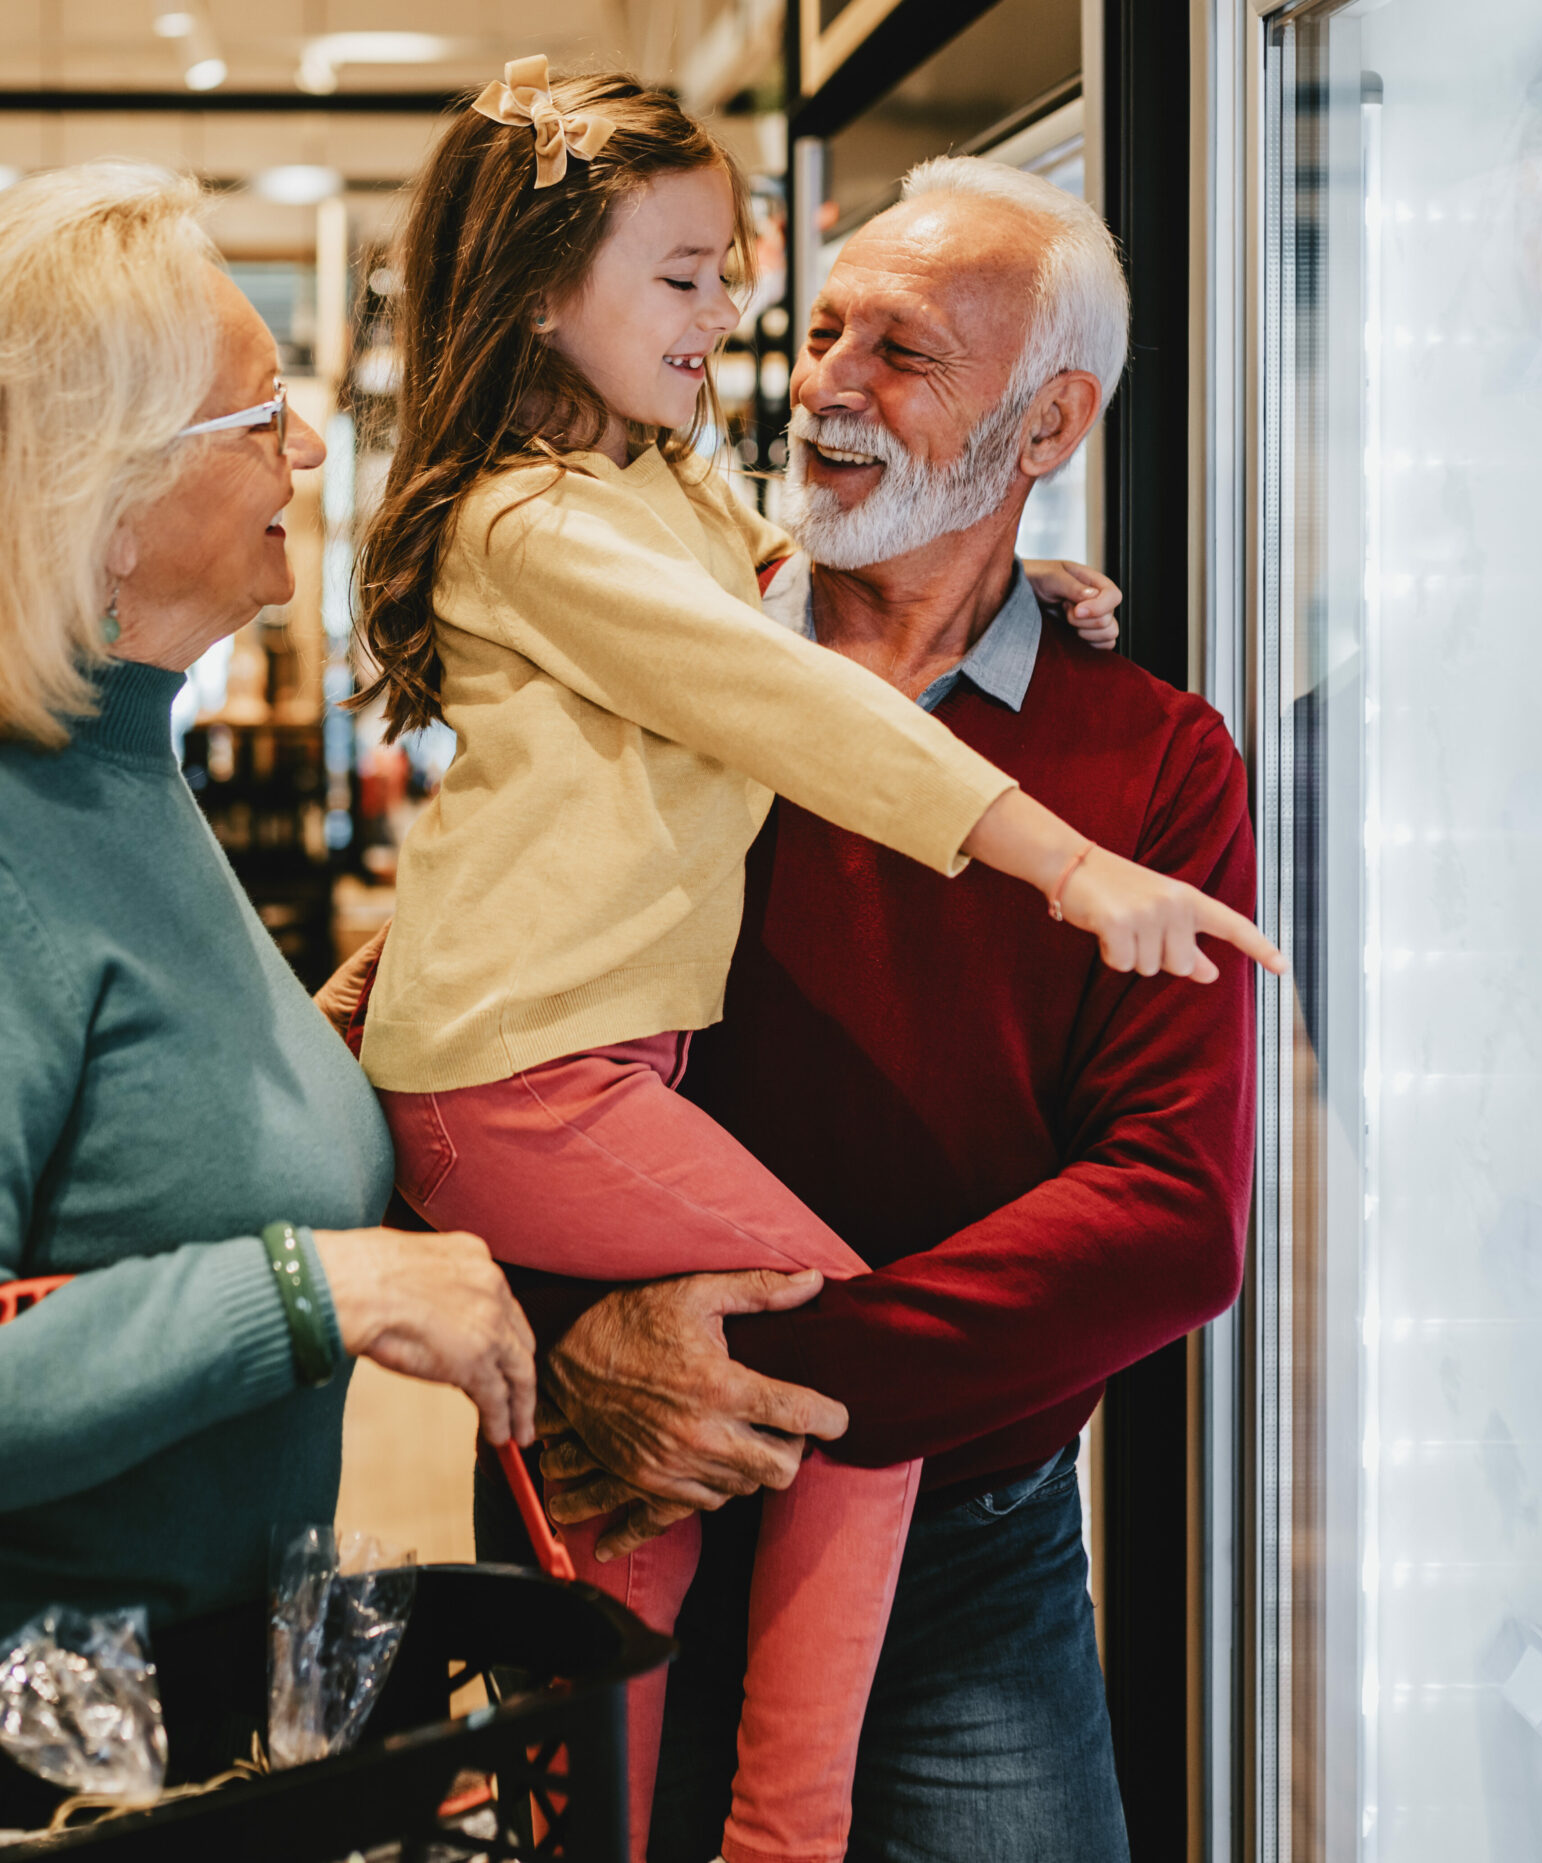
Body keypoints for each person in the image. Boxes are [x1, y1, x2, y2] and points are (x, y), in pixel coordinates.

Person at [348, 64, 1278, 1863]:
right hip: (619, 1460)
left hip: (967, 1543)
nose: (821, 382)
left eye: (903, 355)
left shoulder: (1151, 757)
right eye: (821, 326)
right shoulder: (651, 642)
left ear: (1049, 425)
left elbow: (1176, 1214)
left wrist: (780, 1374)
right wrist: (591, 1357)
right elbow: (484, 1047)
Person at [0, 162, 536, 1736]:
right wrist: (310, 1291)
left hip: (134, 1732)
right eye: (262, 414)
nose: (306, 446)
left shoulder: (111, 770)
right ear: (97, 495)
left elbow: (133, 1129)